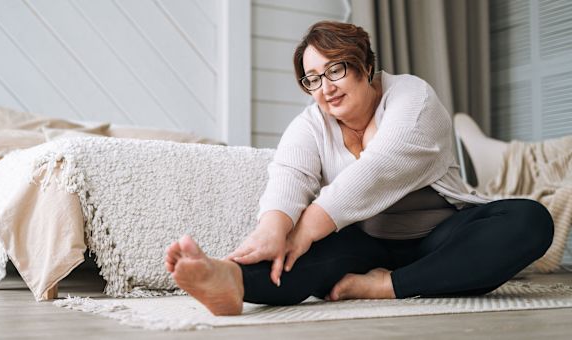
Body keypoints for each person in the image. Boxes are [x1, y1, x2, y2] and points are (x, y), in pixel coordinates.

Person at [164, 21, 554, 316]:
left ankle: (388, 286)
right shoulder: (310, 124)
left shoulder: (412, 98)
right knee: (299, 250)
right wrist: (274, 228)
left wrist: (305, 227)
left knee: (529, 220)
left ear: (365, 66)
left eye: (336, 70)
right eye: (312, 79)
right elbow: (288, 176)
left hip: (441, 236)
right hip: (366, 244)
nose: (325, 88)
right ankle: (229, 281)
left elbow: (377, 170)